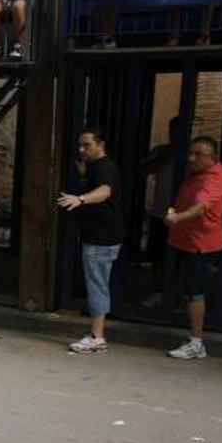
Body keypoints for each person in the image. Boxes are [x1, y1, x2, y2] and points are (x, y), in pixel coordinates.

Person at [57, 129, 124, 353]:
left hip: (101, 238)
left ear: (100, 144)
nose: (81, 149)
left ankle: (97, 336)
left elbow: (105, 191)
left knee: (97, 285)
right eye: (80, 145)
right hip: (97, 236)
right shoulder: (95, 167)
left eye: (86, 145)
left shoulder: (105, 167)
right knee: (97, 283)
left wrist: (80, 199)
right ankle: (97, 334)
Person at [164, 136, 222, 361]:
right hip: (186, 241)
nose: (191, 158)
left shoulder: (212, 181)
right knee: (188, 290)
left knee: (195, 292)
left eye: (198, 155)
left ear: (213, 158)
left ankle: (196, 343)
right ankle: (193, 336)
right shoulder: (198, 173)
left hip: (200, 245)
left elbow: (201, 206)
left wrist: (177, 217)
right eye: (190, 153)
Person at [139, 117, 181, 308]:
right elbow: (142, 170)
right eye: (174, 130)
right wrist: (167, 156)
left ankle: (177, 295)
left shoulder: (193, 153)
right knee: (158, 256)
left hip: (184, 216)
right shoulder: (161, 151)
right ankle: (159, 292)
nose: (176, 135)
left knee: (181, 258)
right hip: (160, 212)